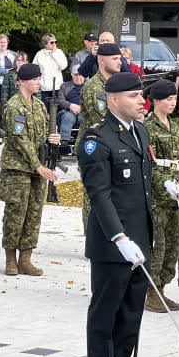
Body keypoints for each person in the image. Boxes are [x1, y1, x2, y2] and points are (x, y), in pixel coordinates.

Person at [77, 71, 154, 357]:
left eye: (141, 96)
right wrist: (119, 236)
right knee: (105, 314)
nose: (142, 101)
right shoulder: (97, 139)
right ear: (113, 100)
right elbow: (99, 194)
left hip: (140, 238)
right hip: (114, 243)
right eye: (134, 96)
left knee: (131, 313)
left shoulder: (141, 131)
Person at [0, 63, 60, 276]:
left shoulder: (40, 105)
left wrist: (52, 138)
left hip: (37, 169)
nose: (38, 82)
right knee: (16, 214)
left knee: (34, 214)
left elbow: (41, 135)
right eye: (34, 79)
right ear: (21, 81)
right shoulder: (14, 106)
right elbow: (20, 139)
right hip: (18, 169)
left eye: (39, 78)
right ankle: (10, 259)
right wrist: (37, 165)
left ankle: (25, 258)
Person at [143, 79, 179, 313]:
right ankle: (150, 290)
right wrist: (164, 183)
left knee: (173, 245)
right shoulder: (148, 128)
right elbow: (150, 164)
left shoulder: (174, 127)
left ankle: (161, 287)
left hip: (174, 196)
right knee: (158, 246)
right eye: (168, 99)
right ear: (155, 101)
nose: (172, 103)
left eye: (175, 98)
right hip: (158, 197)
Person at [76, 43, 123, 231]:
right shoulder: (94, 87)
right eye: (115, 59)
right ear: (102, 60)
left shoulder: (116, 85)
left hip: (112, 145)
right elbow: (102, 120)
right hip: (94, 148)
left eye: (120, 58)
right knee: (94, 194)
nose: (120, 62)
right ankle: (92, 238)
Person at [33, 33, 68, 108]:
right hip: (44, 88)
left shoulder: (59, 52)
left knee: (56, 112)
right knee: (45, 110)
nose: (54, 44)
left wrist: (54, 54)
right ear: (45, 44)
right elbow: (34, 69)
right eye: (52, 42)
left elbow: (63, 66)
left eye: (55, 42)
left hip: (57, 88)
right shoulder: (39, 54)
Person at [56, 64, 85, 144]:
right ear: (72, 75)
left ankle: (85, 142)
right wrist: (70, 106)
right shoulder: (64, 86)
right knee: (68, 117)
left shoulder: (89, 86)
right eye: (76, 75)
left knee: (88, 119)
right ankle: (64, 142)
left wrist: (82, 108)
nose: (78, 77)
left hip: (84, 113)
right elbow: (60, 100)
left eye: (80, 74)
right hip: (68, 112)